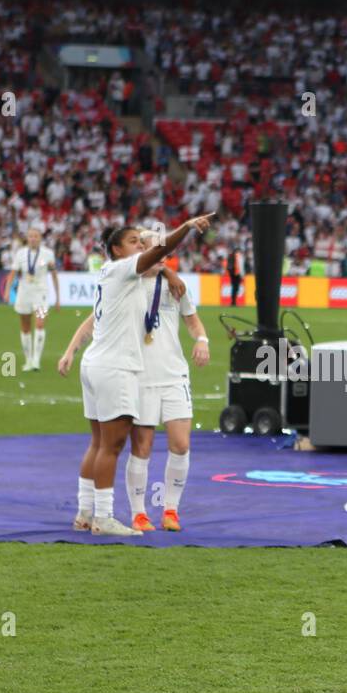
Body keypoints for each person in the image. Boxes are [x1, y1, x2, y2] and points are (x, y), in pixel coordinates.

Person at [74, 213, 212, 537]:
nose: (145, 246)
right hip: (123, 370)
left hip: (120, 367)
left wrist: (167, 271)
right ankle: (110, 517)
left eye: (143, 241)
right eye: (136, 241)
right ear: (119, 250)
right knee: (117, 446)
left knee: (103, 444)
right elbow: (152, 257)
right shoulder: (126, 275)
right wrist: (187, 228)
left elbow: (156, 263)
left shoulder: (134, 278)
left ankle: (86, 512)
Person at [124, 228, 210, 532]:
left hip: (174, 375)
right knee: (142, 448)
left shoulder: (175, 286)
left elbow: (193, 320)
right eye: (154, 250)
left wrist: (202, 340)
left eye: (164, 251)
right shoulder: (127, 284)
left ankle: (170, 510)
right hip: (140, 377)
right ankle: (138, 513)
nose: (162, 256)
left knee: (181, 444)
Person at [3, 225, 60, 372]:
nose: (33, 238)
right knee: (25, 326)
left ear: (40, 238)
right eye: (30, 236)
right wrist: (7, 291)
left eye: (36, 236)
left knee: (40, 324)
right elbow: (13, 273)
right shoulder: (21, 254)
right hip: (24, 294)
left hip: (41, 294)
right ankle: (28, 360)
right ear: (27, 238)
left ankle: (36, 360)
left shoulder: (48, 254)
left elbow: (54, 275)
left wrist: (58, 297)